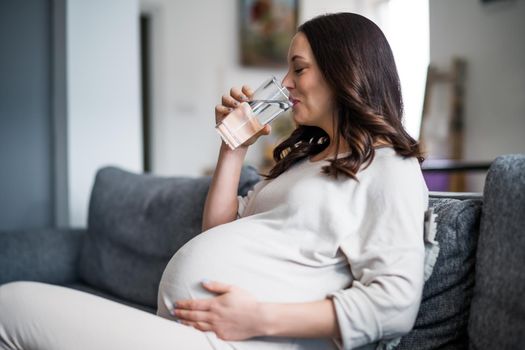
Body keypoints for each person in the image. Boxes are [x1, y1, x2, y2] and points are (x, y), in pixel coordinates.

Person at [0, 12, 428, 350]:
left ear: (342, 70)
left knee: (11, 306)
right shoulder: (303, 164)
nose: (286, 83)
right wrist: (233, 147)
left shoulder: (390, 168)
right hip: (199, 335)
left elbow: (394, 304)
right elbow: (218, 232)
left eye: (298, 69)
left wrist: (259, 317)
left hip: (247, 340)